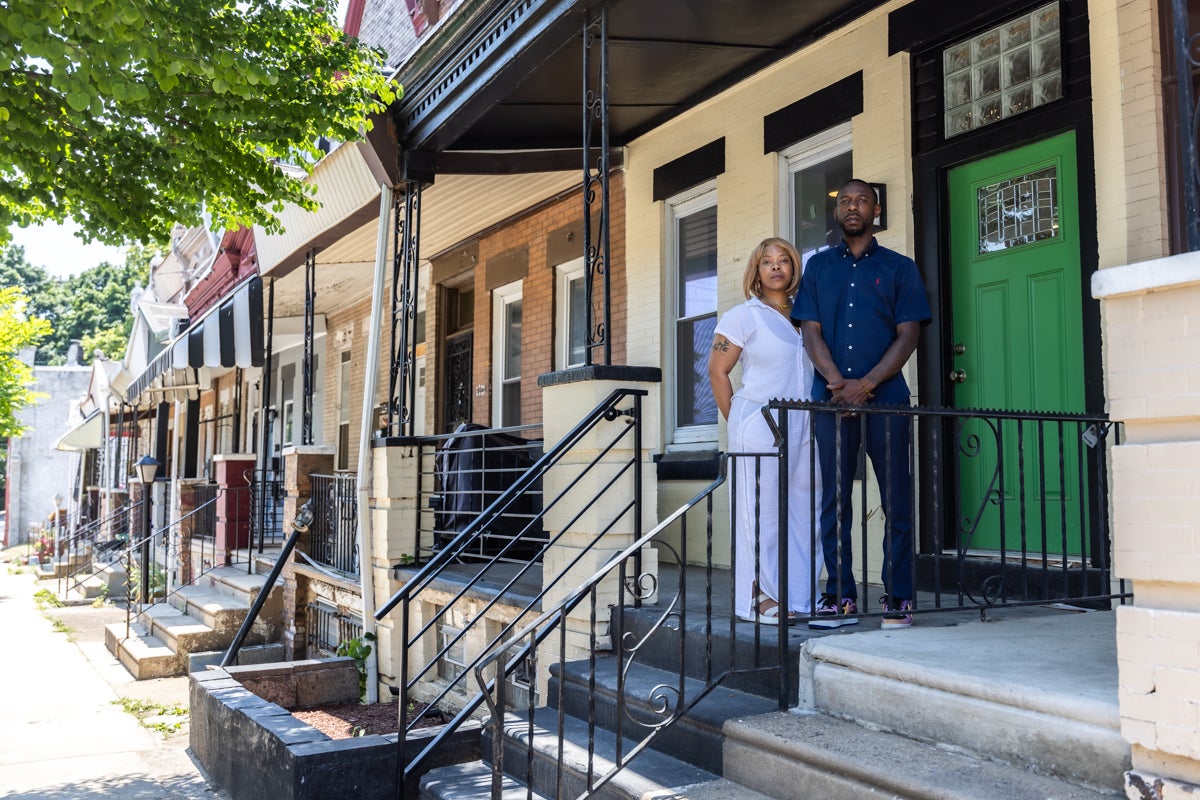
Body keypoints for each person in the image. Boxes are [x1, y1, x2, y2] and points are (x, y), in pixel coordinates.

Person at [792, 179, 931, 630]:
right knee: (834, 498)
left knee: (896, 500)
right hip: (831, 402)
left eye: (862, 201)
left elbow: (908, 334)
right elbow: (809, 330)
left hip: (887, 402)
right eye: (845, 201)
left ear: (876, 209)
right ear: (837, 212)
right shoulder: (817, 269)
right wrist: (837, 384)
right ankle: (841, 598)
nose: (853, 207)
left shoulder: (900, 268)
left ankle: (899, 599)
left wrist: (866, 385)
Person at [708, 237, 819, 625]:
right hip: (761, 421)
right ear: (755, 271)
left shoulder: (806, 315)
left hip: (804, 421)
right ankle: (756, 596)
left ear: (793, 268)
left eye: (784, 260)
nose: (776, 267)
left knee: (807, 510)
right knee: (762, 512)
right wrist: (743, 421)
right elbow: (717, 373)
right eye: (767, 261)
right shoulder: (743, 316)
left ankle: (802, 593)